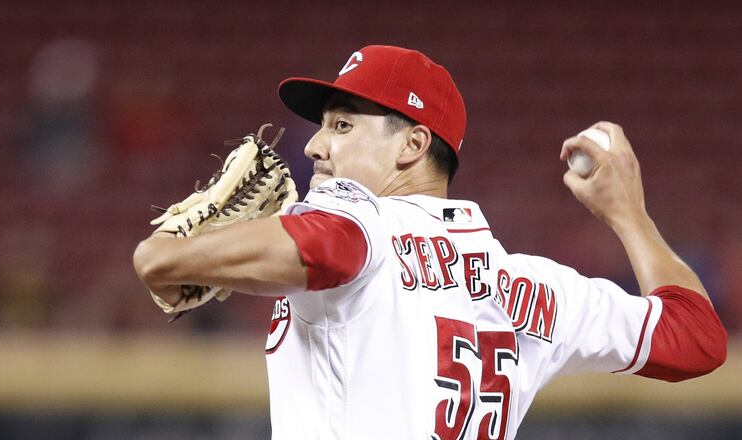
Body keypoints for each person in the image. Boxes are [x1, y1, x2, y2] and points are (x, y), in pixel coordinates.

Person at [133, 45, 727, 439]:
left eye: (342, 125)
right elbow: (697, 339)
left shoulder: (362, 222)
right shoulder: (539, 285)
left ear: (413, 146)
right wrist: (630, 217)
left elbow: (330, 245)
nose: (316, 147)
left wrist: (164, 254)